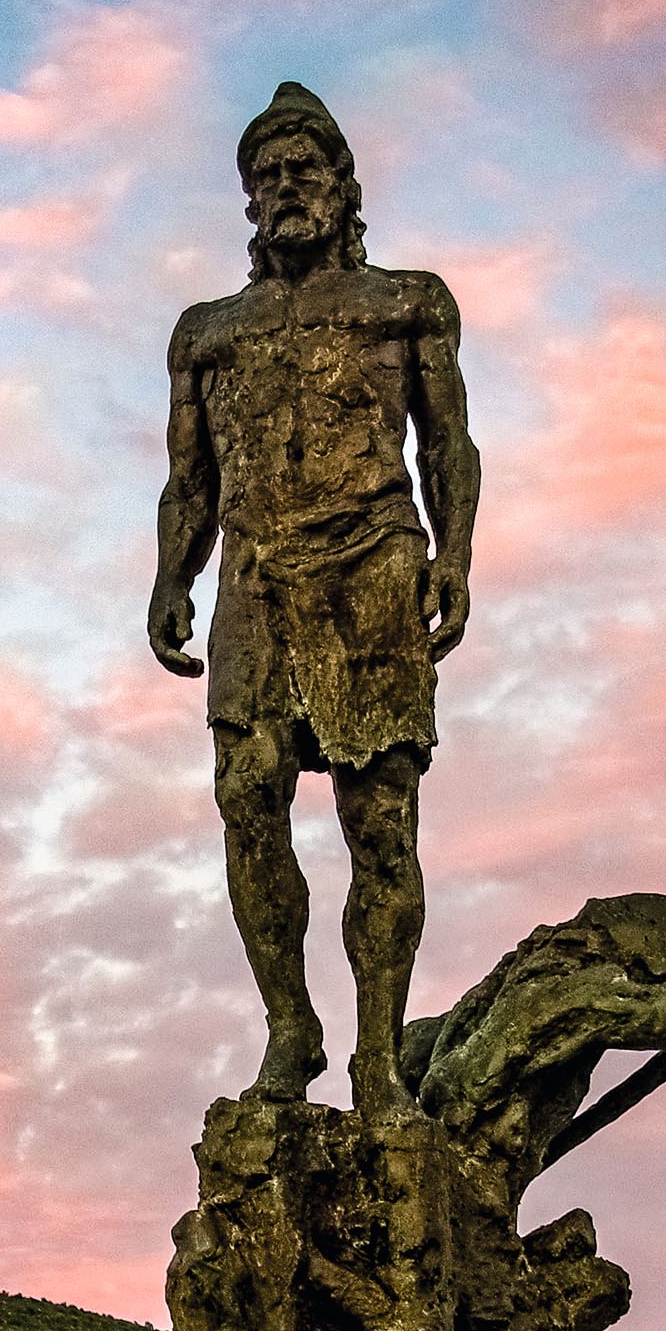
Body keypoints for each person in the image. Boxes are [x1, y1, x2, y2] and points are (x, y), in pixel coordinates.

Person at [148, 82, 480, 1117]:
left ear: (344, 186)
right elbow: (189, 477)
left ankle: (378, 1056)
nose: (286, 189)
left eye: (305, 170)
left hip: (372, 564)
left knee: (378, 819)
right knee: (247, 795)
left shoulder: (405, 302)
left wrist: (456, 555)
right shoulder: (207, 331)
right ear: (249, 203)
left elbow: (449, 442)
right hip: (254, 574)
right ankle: (291, 1024)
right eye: (267, 177)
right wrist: (170, 575)